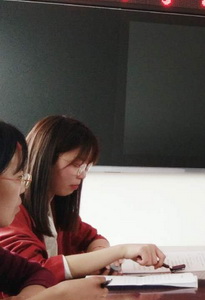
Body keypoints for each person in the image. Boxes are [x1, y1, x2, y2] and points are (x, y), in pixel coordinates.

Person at [0, 116, 165, 281]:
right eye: (76, 165)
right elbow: (33, 272)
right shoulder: (11, 211)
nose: (83, 175)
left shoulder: (55, 207)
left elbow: (92, 238)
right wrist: (119, 252)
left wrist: (101, 256)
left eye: (87, 166)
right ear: (46, 159)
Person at [0, 121, 108, 300]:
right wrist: (57, 299)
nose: (23, 187)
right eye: (19, 176)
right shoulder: (16, 217)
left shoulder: (56, 210)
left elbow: (37, 273)